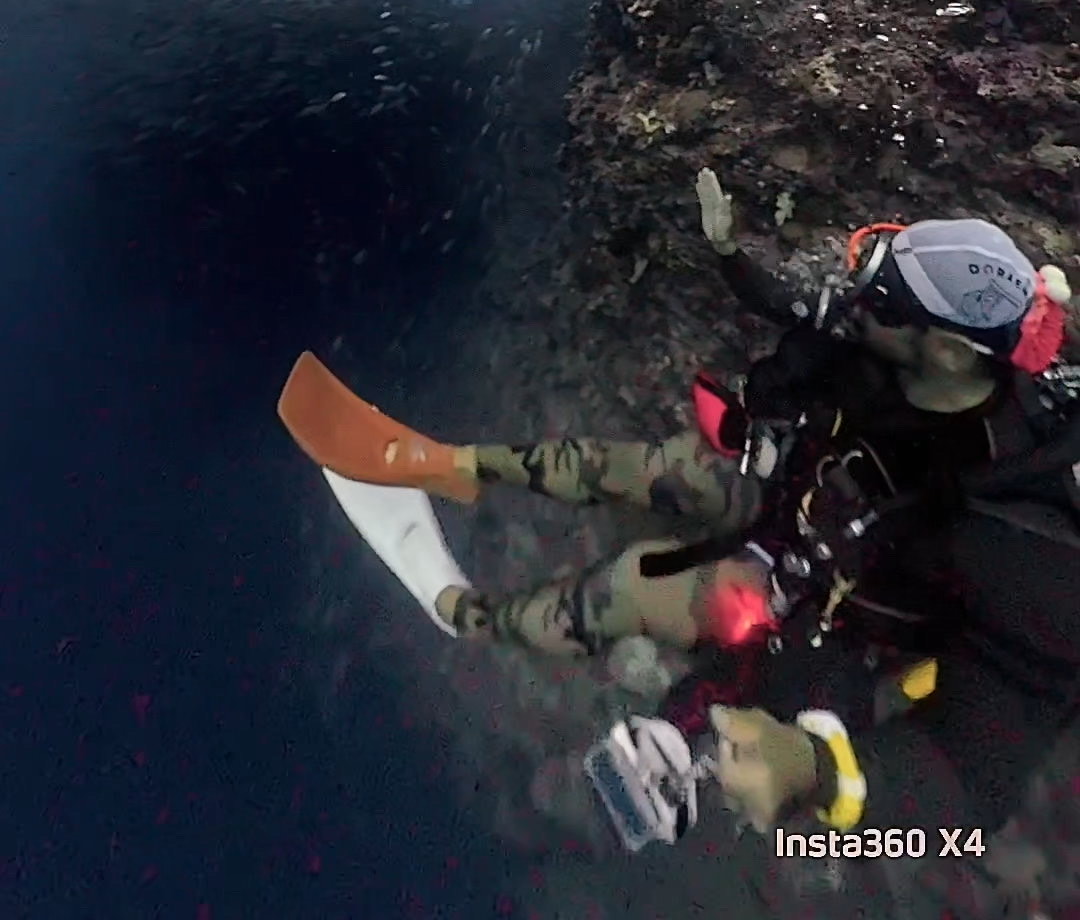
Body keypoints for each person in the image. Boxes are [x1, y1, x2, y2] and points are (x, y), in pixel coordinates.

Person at [278, 174, 1080, 847]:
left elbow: (972, 793)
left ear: (945, 347)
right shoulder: (890, 343)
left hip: (822, 601)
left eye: (882, 298)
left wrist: (818, 774)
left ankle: (464, 611)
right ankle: (449, 463)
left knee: (622, 589)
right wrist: (728, 249)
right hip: (780, 494)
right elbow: (797, 307)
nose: (854, 301)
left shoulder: (1019, 524)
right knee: (639, 468)